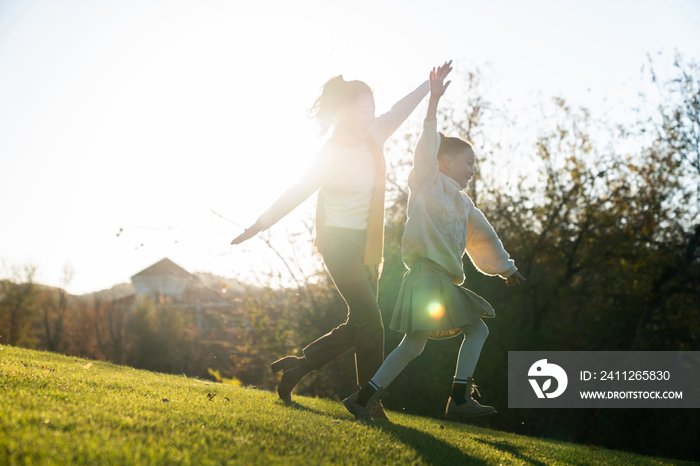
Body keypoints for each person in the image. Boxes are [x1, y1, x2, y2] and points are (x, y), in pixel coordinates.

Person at [231, 63, 450, 418]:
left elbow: (400, 110)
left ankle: (299, 368)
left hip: (368, 245)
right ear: (344, 111)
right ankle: (369, 402)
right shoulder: (330, 154)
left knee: (359, 324)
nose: (371, 116)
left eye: (372, 110)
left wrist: (430, 90)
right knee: (372, 320)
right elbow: (296, 191)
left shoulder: (375, 136)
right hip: (337, 242)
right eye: (364, 110)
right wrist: (259, 224)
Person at [343, 64, 526, 422]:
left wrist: (507, 269)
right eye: (468, 163)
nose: (472, 170)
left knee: (414, 344)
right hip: (427, 276)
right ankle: (458, 397)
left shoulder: (463, 203)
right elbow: (427, 145)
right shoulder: (428, 181)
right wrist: (433, 102)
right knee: (475, 328)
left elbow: (484, 238)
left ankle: (363, 398)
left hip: (438, 280)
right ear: (445, 162)